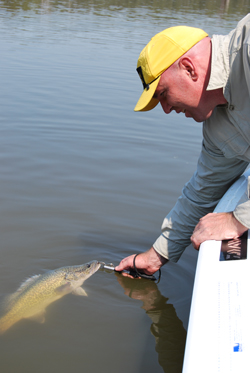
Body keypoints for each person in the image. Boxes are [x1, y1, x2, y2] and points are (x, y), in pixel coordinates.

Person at [115, 14, 250, 276]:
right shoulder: (217, 129)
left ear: (189, 68)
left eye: (163, 95)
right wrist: (156, 256)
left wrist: (238, 219)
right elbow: (203, 192)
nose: (166, 110)